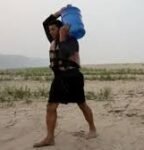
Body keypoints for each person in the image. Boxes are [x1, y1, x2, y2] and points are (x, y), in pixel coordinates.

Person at [33, 8, 97, 148]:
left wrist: (62, 36)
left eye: (53, 29)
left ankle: (93, 129)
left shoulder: (72, 40)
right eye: (50, 30)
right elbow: (46, 23)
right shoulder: (53, 38)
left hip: (73, 76)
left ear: (61, 28)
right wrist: (60, 12)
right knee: (51, 106)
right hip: (59, 77)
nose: (51, 32)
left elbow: (65, 52)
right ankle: (50, 138)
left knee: (82, 104)